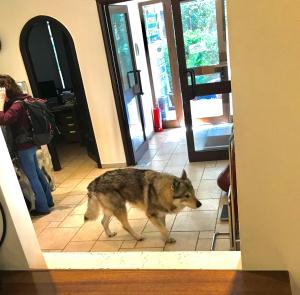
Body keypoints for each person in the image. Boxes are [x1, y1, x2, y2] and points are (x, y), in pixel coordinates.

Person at [0, 75, 54, 216]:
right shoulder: (23, 99)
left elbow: (4, 119)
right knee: (37, 172)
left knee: (33, 177)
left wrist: (0, 102)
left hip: (24, 146)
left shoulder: (17, 104)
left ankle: (43, 207)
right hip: (32, 143)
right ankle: (49, 201)